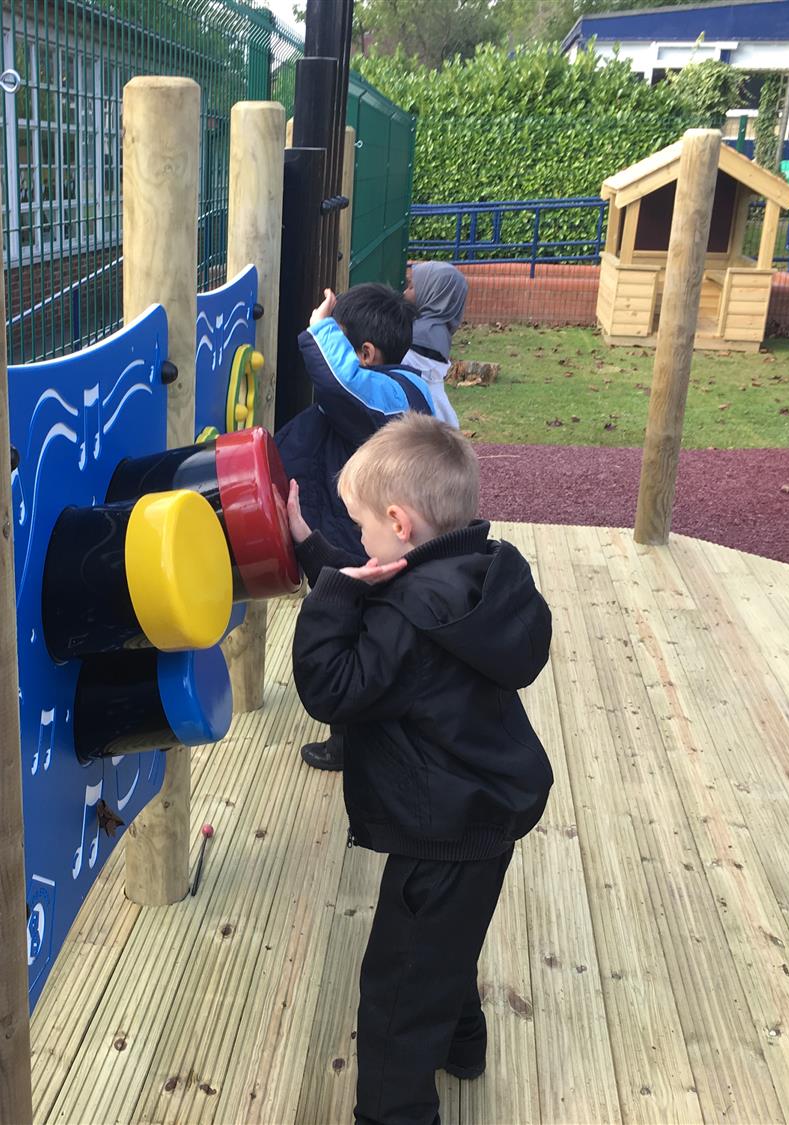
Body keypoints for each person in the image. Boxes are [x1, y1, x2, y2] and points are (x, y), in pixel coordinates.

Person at [287, 413, 553, 1125]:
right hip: (481, 810)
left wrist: (330, 595)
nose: (362, 541)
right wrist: (318, 553)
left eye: (363, 526)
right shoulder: (471, 575)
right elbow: (385, 600)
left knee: (399, 992)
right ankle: (463, 1044)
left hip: (442, 828)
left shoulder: (409, 616)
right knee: (442, 945)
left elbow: (335, 686)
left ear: (401, 523)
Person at [276, 282, 436, 772]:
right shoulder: (383, 392)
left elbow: (338, 382)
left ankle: (357, 742)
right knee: (359, 636)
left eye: (343, 343)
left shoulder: (394, 396)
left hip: (366, 546)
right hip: (352, 536)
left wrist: (320, 324)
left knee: (359, 642)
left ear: (365, 353)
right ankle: (356, 736)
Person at [400, 262, 467, 428]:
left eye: (411, 287)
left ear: (433, 293)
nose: (404, 292)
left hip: (420, 416)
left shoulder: (423, 333)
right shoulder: (438, 329)